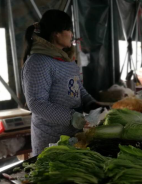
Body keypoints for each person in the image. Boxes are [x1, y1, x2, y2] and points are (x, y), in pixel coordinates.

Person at [22, 10, 104, 156]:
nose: (71, 34)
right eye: (68, 29)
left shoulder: (67, 59)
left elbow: (77, 88)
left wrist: (92, 105)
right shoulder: (38, 62)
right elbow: (36, 103)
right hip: (50, 139)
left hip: (75, 135)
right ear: (56, 33)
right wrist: (72, 117)